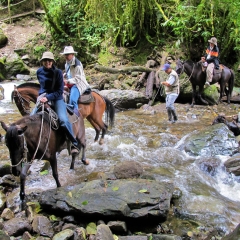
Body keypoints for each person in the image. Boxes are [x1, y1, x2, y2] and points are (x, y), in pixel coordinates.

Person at [32, 51, 81, 155]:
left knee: (63, 120)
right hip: (44, 96)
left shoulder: (58, 72)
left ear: (52, 62)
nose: (47, 62)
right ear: (42, 62)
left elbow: (59, 91)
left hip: (57, 97)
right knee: (31, 117)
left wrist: (48, 97)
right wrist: (41, 96)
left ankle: (74, 142)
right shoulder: (39, 72)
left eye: (49, 60)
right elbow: (42, 87)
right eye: (45, 60)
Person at [60, 46, 90, 117]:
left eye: (68, 55)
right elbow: (68, 73)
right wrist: (64, 75)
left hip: (78, 84)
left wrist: (67, 81)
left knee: (73, 99)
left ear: (72, 54)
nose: (66, 56)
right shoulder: (67, 63)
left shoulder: (77, 65)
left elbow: (78, 78)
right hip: (70, 83)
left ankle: (76, 117)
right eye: (65, 55)